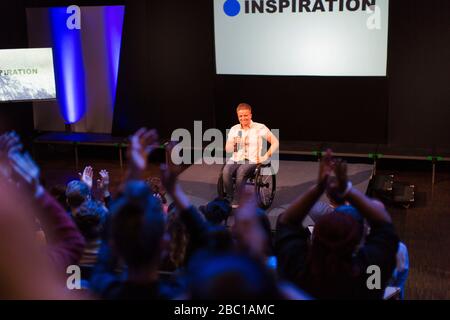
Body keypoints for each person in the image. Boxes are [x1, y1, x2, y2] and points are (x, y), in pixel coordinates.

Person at [223, 103, 279, 207]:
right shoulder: (234, 129)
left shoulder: (260, 127)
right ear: (238, 116)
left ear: (250, 115)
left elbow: (275, 142)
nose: (243, 118)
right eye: (240, 116)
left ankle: (237, 199)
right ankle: (230, 197)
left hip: (253, 159)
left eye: (245, 115)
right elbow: (228, 149)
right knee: (225, 171)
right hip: (237, 158)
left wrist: (265, 156)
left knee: (241, 171)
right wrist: (234, 144)